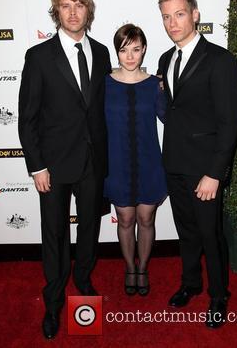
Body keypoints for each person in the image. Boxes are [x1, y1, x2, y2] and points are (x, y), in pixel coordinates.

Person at [18, 0, 111, 339]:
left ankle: (84, 280)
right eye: (66, 6)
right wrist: (37, 166)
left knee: (89, 227)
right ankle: (54, 301)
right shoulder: (39, 56)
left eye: (79, 5)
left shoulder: (102, 53)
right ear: (56, 11)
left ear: (89, 10)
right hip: (53, 166)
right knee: (54, 234)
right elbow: (28, 118)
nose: (73, 12)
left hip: (93, 162)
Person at [157, 0, 237, 328]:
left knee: (210, 234)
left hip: (205, 168)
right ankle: (191, 283)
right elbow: (172, 110)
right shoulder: (165, 58)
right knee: (186, 231)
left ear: (194, 14)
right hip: (174, 162)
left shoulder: (219, 60)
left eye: (179, 14)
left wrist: (215, 173)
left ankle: (219, 295)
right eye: (166, 17)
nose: (172, 23)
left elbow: (230, 122)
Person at [104, 24, 167, 296]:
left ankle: (143, 269)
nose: (130, 56)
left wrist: (169, 88)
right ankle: (130, 267)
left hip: (149, 162)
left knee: (146, 219)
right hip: (116, 163)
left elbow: (168, 116)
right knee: (126, 219)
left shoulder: (155, 83)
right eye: (124, 49)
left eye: (136, 49)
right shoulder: (103, 83)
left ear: (144, 50)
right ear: (116, 51)